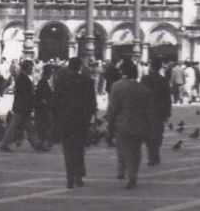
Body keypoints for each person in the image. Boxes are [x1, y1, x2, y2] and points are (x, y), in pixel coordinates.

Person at [106, 57, 155, 189]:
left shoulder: (117, 86)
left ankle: (127, 172)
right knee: (136, 150)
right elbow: (149, 111)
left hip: (123, 123)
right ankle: (132, 173)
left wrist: (109, 125)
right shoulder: (144, 90)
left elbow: (113, 108)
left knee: (124, 148)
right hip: (140, 125)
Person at [50, 57, 97, 188]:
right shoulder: (87, 81)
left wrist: (55, 119)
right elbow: (92, 103)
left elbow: (54, 101)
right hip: (81, 120)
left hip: (66, 119)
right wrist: (90, 119)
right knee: (79, 148)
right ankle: (79, 175)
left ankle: (70, 177)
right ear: (80, 67)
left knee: (68, 149)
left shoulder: (60, 81)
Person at [0, 59, 46, 152]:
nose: (32, 69)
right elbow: (25, 94)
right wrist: (33, 101)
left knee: (29, 127)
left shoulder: (22, 77)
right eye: (31, 67)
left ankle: (36, 144)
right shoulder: (23, 79)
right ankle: (4, 144)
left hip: (22, 107)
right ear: (27, 67)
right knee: (14, 127)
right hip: (22, 107)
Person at [143, 56, 172, 165]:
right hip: (159, 111)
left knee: (148, 134)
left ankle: (151, 156)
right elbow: (167, 97)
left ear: (151, 66)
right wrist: (168, 112)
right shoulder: (163, 80)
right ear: (160, 67)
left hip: (146, 110)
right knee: (158, 134)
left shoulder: (145, 79)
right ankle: (155, 154)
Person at [34, 63, 56, 149]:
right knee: (43, 126)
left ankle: (42, 143)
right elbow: (44, 96)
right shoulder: (43, 83)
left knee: (43, 126)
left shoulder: (42, 82)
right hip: (42, 108)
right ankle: (42, 143)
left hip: (41, 108)